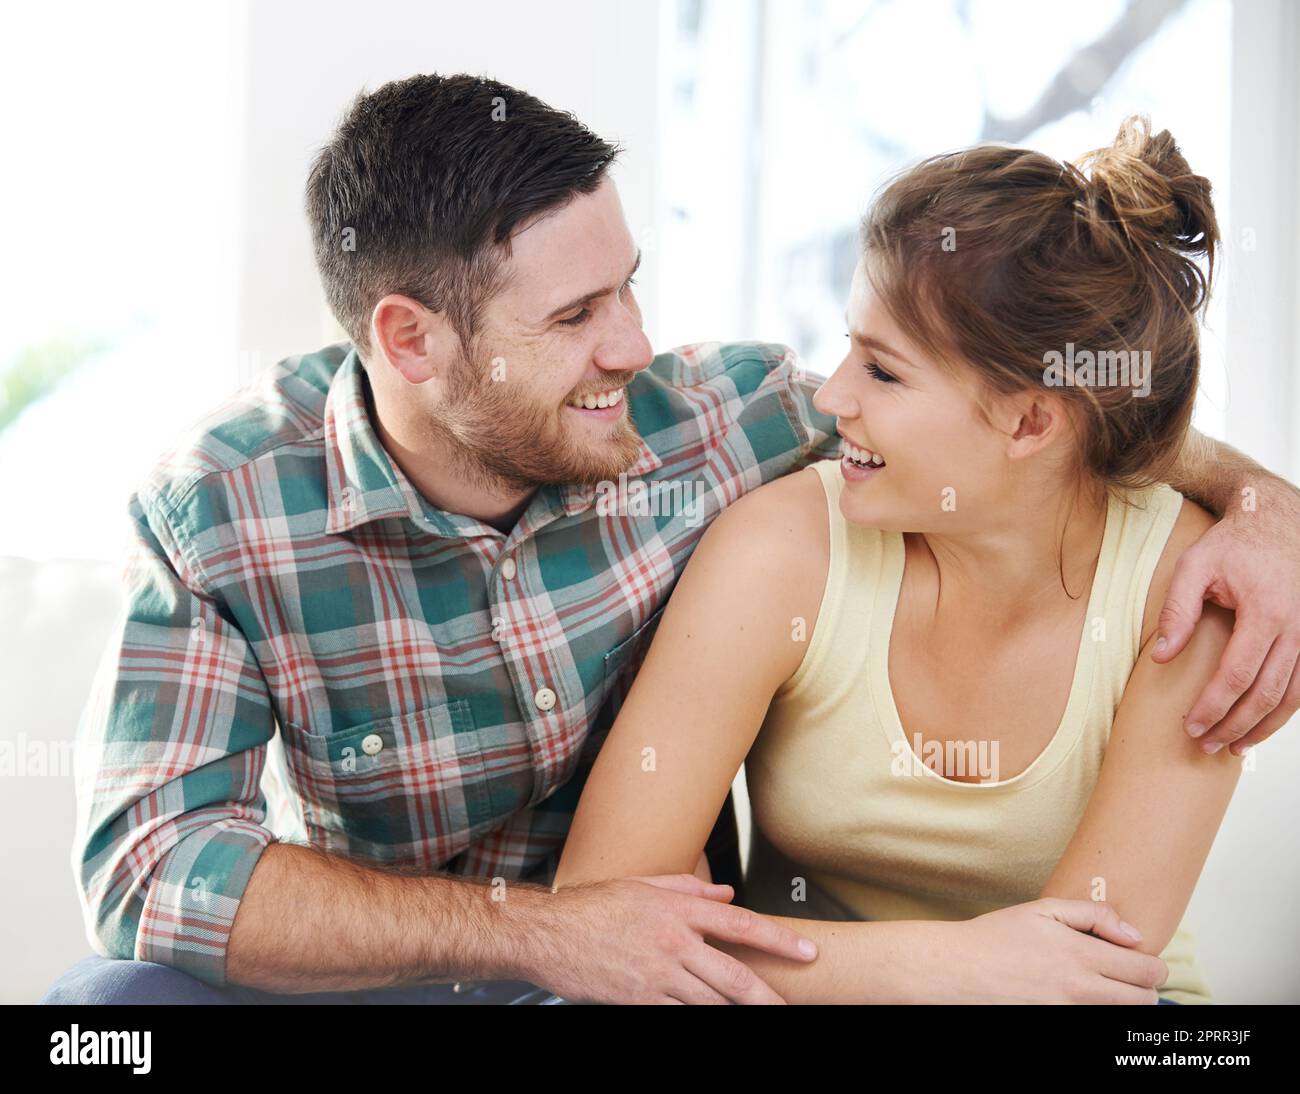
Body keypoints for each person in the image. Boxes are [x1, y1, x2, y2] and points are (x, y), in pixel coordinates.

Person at [41, 75, 1300, 1005]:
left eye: (631, 283)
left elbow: (997, 420)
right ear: (412, 340)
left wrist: (1267, 507)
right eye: (580, 313)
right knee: (101, 1017)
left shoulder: (722, 420)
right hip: (416, 966)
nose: (635, 345)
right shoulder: (222, 509)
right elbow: (155, 866)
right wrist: (532, 933)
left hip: (656, 972)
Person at [554, 118, 1257, 1004]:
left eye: (884, 372)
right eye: (849, 346)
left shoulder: (1192, 591)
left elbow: (1082, 980)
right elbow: (600, 925)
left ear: (1031, 422)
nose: (835, 395)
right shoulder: (784, 550)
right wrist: (950, 966)